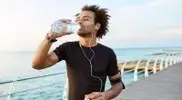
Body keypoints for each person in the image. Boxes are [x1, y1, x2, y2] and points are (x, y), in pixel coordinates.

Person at [32, 4, 125, 100]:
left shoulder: (108, 53)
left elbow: (118, 84)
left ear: (96, 26)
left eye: (85, 19)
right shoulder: (67, 48)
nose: (79, 22)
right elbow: (37, 65)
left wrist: (106, 95)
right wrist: (50, 37)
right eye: (78, 19)